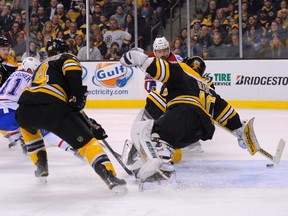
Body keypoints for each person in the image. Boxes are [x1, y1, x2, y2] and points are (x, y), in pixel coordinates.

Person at [119, 49, 260, 188]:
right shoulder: (208, 89)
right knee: (167, 141)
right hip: (200, 131)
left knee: (156, 135)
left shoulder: (182, 69)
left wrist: (141, 60)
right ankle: (162, 167)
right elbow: (225, 113)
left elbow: (163, 71)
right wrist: (240, 130)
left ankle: (163, 172)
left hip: (184, 112)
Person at [15, 38, 127, 193]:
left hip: (24, 110)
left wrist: (88, 123)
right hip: (52, 108)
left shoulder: (42, 65)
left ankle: (41, 166)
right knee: (88, 144)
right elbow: (73, 76)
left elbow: (67, 104)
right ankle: (110, 177)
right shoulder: (66, 58)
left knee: (30, 132)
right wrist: (79, 96)